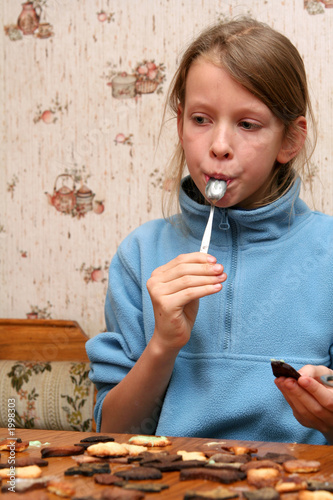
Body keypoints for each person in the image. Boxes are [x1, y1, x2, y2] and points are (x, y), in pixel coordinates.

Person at [86, 17, 333, 445]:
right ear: (181, 124)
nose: (219, 144)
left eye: (247, 124)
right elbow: (115, 433)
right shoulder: (140, 255)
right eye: (201, 119)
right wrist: (163, 345)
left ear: (290, 140)